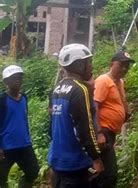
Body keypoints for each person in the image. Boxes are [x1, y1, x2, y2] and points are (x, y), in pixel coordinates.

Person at [48, 44, 104, 187]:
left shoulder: (57, 88)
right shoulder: (79, 90)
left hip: (57, 159)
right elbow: (85, 128)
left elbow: (52, 126)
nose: (91, 66)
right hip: (74, 163)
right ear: (79, 65)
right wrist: (96, 158)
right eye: (89, 62)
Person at [92, 51, 134, 188]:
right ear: (111, 64)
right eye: (121, 65)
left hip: (111, 132)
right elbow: (94, 106)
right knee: (110, 173)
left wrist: (125, 113)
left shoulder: (119, 81)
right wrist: (99, 133)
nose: (124, 69)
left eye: (127, 66)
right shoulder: (103, 81)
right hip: (103, 131)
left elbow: (119, 101)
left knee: (105, 171)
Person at [0, 65, 39, 188]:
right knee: (1, 178)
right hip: (6, 147)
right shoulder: (2, 100)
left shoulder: (24, 98)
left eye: (19, 77)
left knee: (33, 171)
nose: (17, 80)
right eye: (13, 78)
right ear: (6, 81)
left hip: (24, 144)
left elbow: (23, 119)